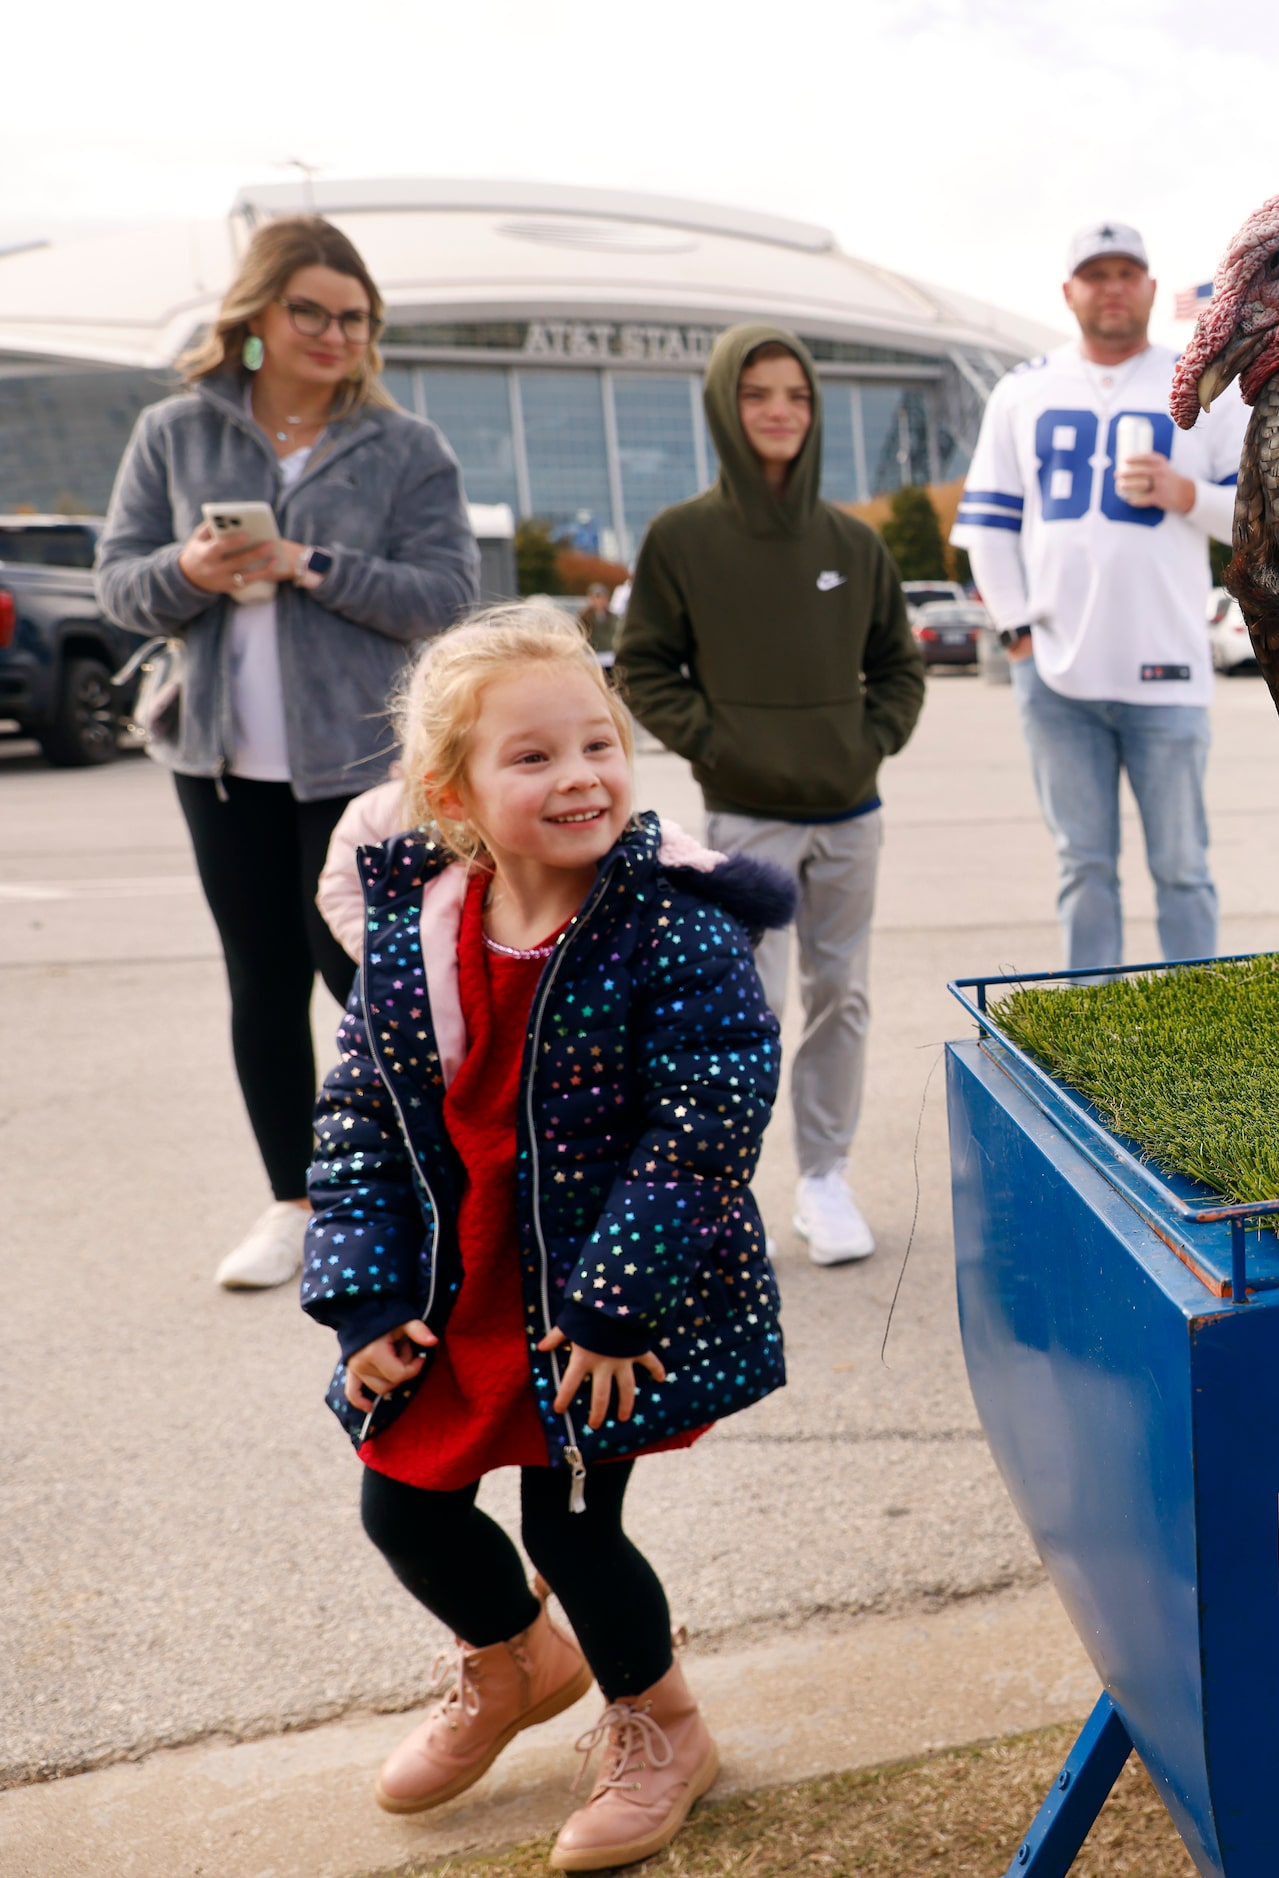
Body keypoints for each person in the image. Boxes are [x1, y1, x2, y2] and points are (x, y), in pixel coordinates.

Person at [305, 607, 793, 1869]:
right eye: (532, 758)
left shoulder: (672, 927)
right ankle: (518, 1662)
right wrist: (360, 1302)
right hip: (450, 1289)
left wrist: (618, 1300)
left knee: (573, 1526)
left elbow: (704, 1128)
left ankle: (662, 1725)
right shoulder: (417, 935)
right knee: (402, 1508)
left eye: (598, 744)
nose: (579, 776)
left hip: (592, 1304)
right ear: (449, 790)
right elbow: (356, 1119)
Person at [94, 215, 478, 1291]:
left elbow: (447, 597)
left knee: (373, 982)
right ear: (255, 317)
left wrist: (310, 561)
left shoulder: (407, 449)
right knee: (261, 979)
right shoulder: (176, 433)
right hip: (218, 763)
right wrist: (192, 569)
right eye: (308, 310)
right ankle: (293, 1202)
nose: (332, 332)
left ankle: (412, 1188)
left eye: (353, 317)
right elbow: (116, 582)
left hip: (360, 767)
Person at [615, 325, 925, 1266]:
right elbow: (644, 667)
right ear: (725, 406)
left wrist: (864, 746)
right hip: (747, 818)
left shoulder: (851, 543)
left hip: (851, 818)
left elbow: (899, 667)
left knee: (842, 997)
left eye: (795, 394)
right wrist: (723, 748)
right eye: (758, 395)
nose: (780, 410)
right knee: (745, 1006)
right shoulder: (682, 539)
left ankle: (825, 1180)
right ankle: (722, 1191)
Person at [951, 220, 1247, 970]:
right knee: (1082, 866)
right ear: (1069, 291)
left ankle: (1199, 1013)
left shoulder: (1202, 381)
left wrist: (1187, 494)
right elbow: (987, 527)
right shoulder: (1022, 390)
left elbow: (1259, 514)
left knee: (1183, 867)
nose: (1112, 288)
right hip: (1055, 672)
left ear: (1149, 288)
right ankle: (1092, 1020)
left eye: (1126, 273)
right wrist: (1018, 633)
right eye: (1096, 274)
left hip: (1169, 666)